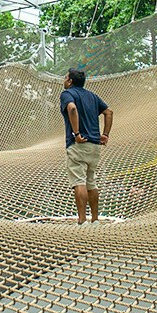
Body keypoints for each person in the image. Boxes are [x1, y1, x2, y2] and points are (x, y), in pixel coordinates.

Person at [60, 67, 113, 224]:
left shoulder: (67, 94)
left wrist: (76, 134)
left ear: (70, 81)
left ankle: (82, 221)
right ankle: (95, 220)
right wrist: (106, 135)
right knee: (91, 181)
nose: (64, 80)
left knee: (79, 181)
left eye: (65, 77)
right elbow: (109, 112)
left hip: (79, 144)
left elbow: (72, 108)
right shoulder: (92, 96)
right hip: (94, 146)